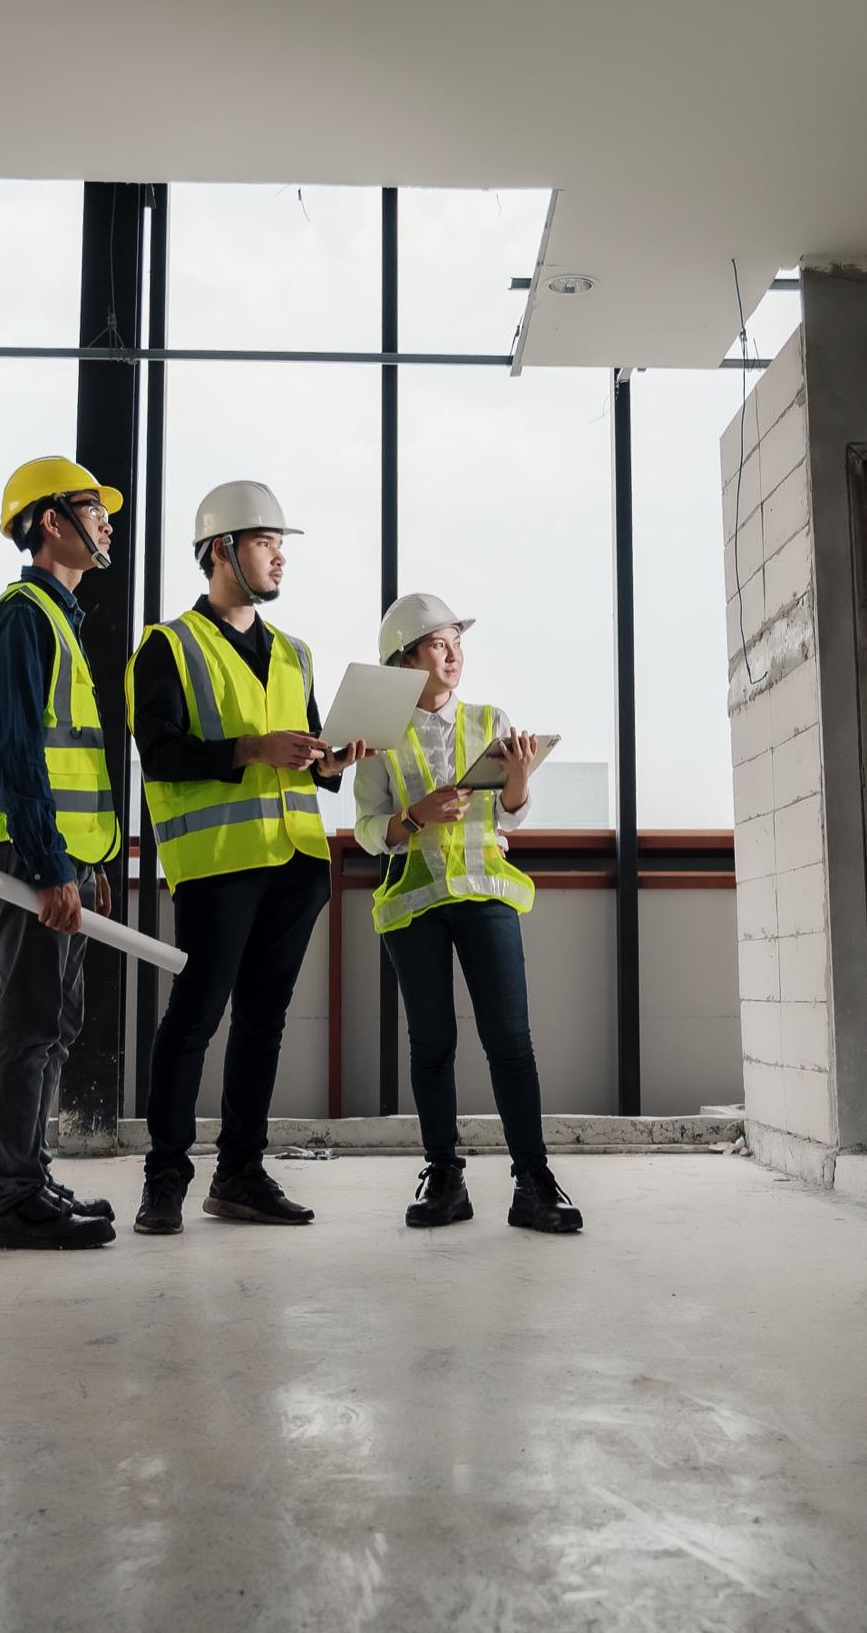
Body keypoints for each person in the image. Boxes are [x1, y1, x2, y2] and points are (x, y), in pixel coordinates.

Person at [127, 480, 370, 1234]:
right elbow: (160, 751)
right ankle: (165, 1176)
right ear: (220, 549)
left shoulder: (294, 653)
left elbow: (308, 759)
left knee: (263, 1022)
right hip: (220, 863)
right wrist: (252, 748)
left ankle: (240, 1175)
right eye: (267, 542)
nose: (279, 558)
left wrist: (336, 759)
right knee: (194, 1018)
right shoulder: (168, 645)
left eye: (281, 545)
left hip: (296, 861)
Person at [354, 593, 582, 1233]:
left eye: (456, 639)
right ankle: (443, 1176)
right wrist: (415, 816)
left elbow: (510, 814)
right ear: (405, 659)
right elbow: (370, 830)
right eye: (437, 642)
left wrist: (517, 784)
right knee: (432, 1044)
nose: (453, 653)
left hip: (487, 895)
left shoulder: (491, 719)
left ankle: (533, 1181)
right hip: (416, 902)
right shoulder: (377, 738)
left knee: (511, 1041)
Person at [0, 456, 126, 1251]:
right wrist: (54, 866)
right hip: (30, 860)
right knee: (30, 1020)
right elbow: (20, 752)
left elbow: (67, 763)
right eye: (94, 508)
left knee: (57, 1018)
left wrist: (90, 863)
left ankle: (33, 1175)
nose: (107, 521)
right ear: (52, 521)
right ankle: (14, 1195)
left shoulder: (60, 618)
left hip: (59, 861)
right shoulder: (25, 615)